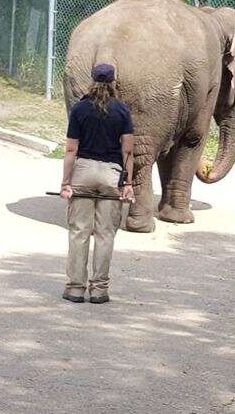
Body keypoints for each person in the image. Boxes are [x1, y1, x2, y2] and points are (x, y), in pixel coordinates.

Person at [60, 63, 135, 304]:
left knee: (79, 232)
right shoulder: (122, 111)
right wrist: (128, 183)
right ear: (114, 82)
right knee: (105, 234)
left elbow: (72, 149)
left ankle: (75, 288)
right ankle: (99, 290)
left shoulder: (80, 109)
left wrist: (65, 183)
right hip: (111, 175)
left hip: (83, 172)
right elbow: (129, 151)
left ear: (91, 80)